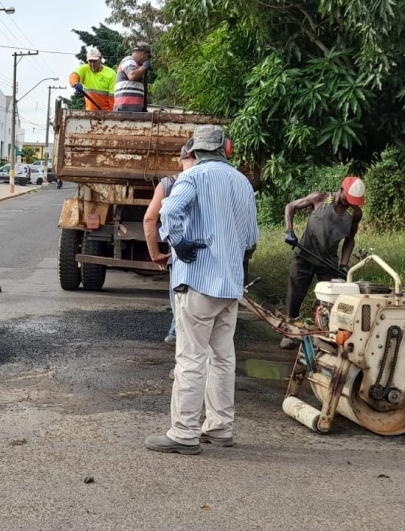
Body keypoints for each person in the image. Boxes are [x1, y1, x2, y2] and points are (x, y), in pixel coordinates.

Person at [145, 125, 259, 455]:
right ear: (226, 149)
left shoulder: (192, 177)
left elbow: (168, 212)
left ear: (194, 152)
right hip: (230, 287)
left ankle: (183, 433)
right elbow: (251, 238)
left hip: (197, 283)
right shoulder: (242, 182)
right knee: (222, 358)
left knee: (191, 358)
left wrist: (179, 244)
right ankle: (220, 428)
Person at [280, 176, 365, 349]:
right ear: (341, 190)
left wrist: (344, 264)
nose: (350, 203)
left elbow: (350, 240)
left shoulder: (354, 214)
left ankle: (326, 338)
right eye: (348, 198)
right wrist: (289, 231)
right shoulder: (320, 198)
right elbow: (290, 206)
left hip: (328, 262)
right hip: (304, 255)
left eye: (353, 201)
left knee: (331, 302)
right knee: (295, 295)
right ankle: (289, 333)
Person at [143, 138, 196, 347]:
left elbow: (149, 219)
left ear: (181, 159)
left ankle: (178, 335)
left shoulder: (170, 183)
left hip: (180, 256)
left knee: (181, 303)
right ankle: (176, 333)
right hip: (213, 258)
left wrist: (155, 254)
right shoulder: (217, 179)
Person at [69, 47, 117, 111]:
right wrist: (75, 83)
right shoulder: (84, 69)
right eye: (90, 61)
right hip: (90, 113)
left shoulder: (111, 74)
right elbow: (73, 75)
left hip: (105, 113)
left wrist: (111, 116)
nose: (92, 64)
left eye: (95, 61)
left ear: (100, 59)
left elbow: (112, 97)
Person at [114, 42, 152, 112]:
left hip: (131, 107)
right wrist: (144, 67)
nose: (146, 60)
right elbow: (132, 76)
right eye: (147, 57)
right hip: (126, 107)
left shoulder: (136, 65)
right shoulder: (129, 60)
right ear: (143, 54)